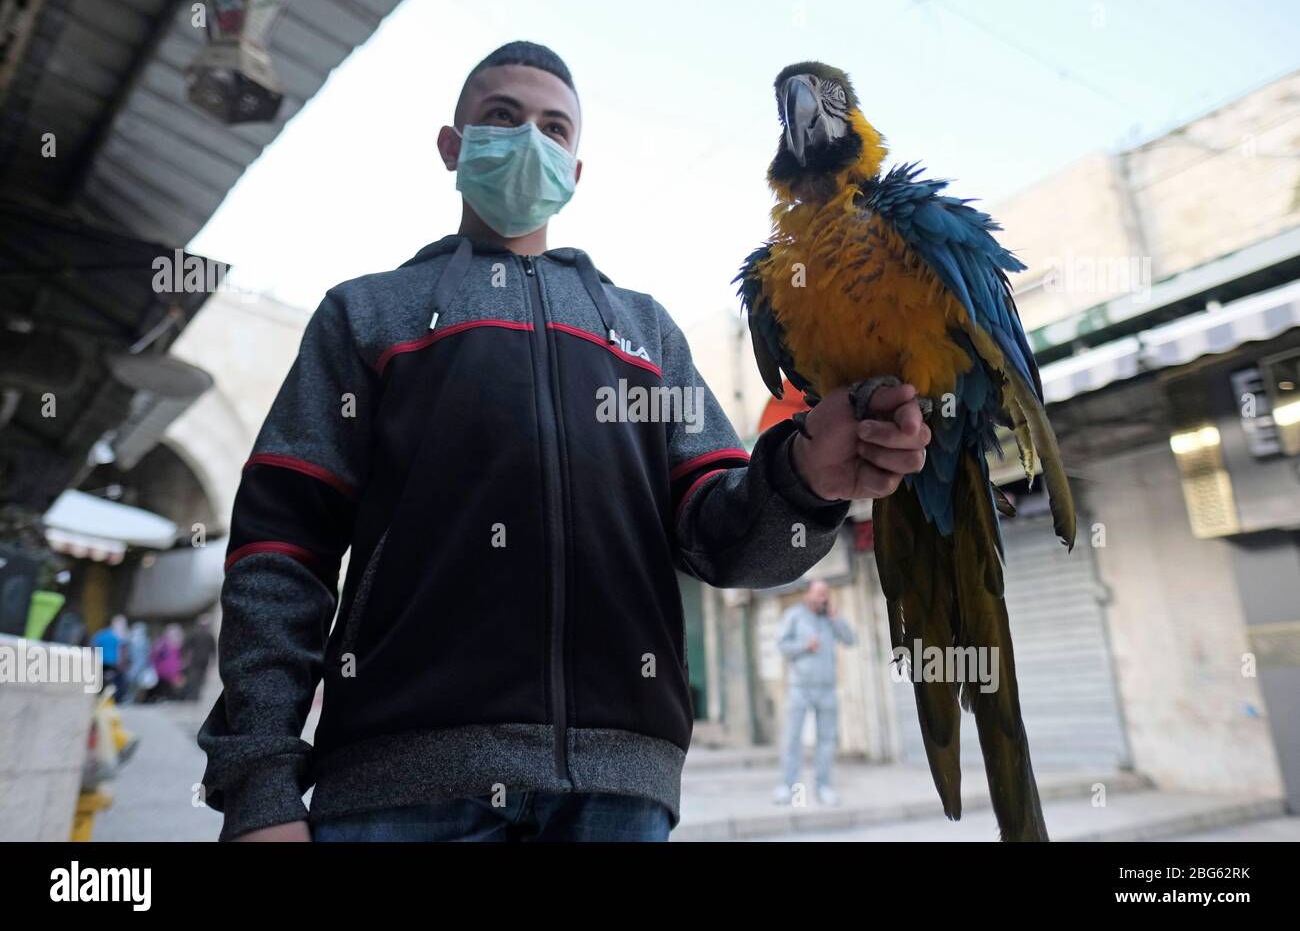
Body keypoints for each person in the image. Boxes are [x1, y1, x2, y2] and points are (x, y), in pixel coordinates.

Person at [198, 41, 930, 842]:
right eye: (502, 118)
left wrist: (801, 479)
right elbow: (279, 553)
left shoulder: (646, 333)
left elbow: (727, 544)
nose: (529, 142)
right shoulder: (368, 316)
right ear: (453, 146)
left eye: (554, 128)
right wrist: (258, 789)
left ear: (576, 170)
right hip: (399, 796)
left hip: (621, 800)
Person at [774, 580, 857, 807]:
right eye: (819, 594)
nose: (823, 598)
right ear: (808, 595)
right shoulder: (794, 616)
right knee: (792, 738)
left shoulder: (830, 619)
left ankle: (824, 787)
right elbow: (781, 645)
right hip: (799, 688)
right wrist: (804, 646)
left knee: (827, 741)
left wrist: (836, 618)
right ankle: (786, 787)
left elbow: (851, 640)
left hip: (827, 688)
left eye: (826, 594)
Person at [91, 614, 129, 702]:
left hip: (102, 662)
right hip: (112, 663)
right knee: (115, 682)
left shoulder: (101, 634)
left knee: (103, 682)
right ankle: (113, 699)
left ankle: (101, 698)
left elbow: (94, 646)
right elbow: (122, 651)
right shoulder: (119, 636)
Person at [181, 613, 217, 701]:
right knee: (197, 678)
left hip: (200, 660)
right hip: (199, 660)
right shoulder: (202, 635)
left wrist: (213, 660)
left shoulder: (204, 635)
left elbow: (213, 650)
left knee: (198, 678)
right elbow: (187, 646)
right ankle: (194, 696)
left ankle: (195, 696)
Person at [149, 624, 185, 701]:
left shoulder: (178, 644)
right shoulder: (162, 643)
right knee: (164, 685)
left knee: (173, 684)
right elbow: (155, 655)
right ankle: (163, 697)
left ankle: (170, 697)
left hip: (173, 669)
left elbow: (178, 657)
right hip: (163, 669)